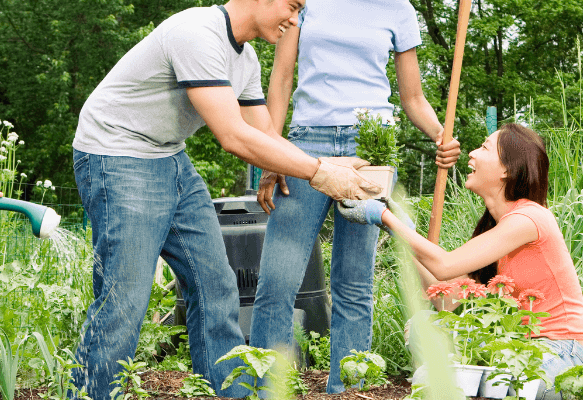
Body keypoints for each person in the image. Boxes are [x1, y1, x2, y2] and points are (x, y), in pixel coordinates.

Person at [68, 0, 383, 397]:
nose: (295, 18)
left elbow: (265, 135)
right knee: (125, 296)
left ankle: (232, 393)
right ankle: (88, 394)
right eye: (292, 5)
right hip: (117, 155)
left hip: (168, 156)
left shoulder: (246, 59)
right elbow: (233, 136)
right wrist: (321, 173)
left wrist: (331, 163)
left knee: (216, 285)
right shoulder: (196, 32)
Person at [249, 0, 460, 392]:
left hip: (372, 148)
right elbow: (280, 79)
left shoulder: (399, 9)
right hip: (306, 145)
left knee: (353, 284)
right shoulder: (305, 2)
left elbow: (412, 98)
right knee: (277, 281)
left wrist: (439, 135)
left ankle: (347, 389)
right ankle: (266, 389)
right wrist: (271, 150)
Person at [340, 124, 583, 400]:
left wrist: (386, 217)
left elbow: (444, 265)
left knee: (504, 387)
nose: (471, 154)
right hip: (515, 352)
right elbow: (447, 299)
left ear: (507, 169)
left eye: (483, 147)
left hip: (561, 354)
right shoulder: (496, 228)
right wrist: (401, 230)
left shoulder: (529, 219)